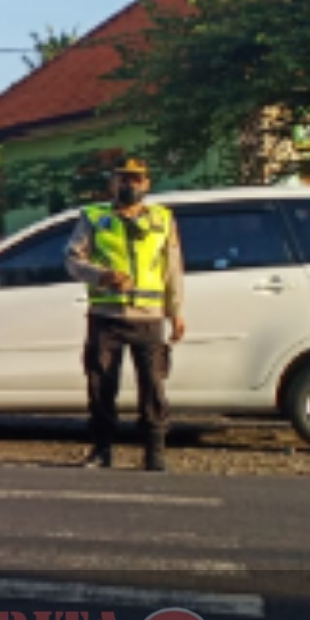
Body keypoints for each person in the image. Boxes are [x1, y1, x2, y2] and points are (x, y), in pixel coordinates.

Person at [65, 158, 186, 472]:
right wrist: (101, 275)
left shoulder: (162, 220)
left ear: (147, 184)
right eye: (123, 179)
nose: (130, 185)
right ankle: (102, 448)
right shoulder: (94, 217)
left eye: (136, 179)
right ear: (113, 183)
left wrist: (176, 312)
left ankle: (155, 451)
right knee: (102, 385)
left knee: (153, 386)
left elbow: (173, 269)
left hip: (148, 317)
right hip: (106, 315)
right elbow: (72, 260)